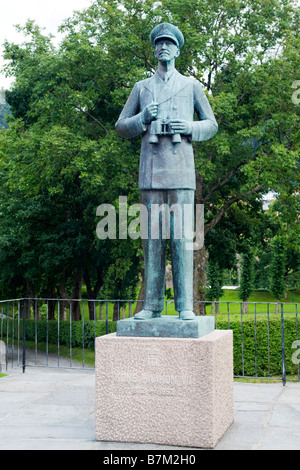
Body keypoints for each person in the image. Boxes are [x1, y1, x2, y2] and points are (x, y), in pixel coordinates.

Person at [115, 23, 218, 320]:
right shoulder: (141, 88)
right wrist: (142, 118)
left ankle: (185, 305)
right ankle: (152, 305)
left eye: (168, 43)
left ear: (177, 50)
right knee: (152, 240)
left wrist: (189, 128)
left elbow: (211, 123)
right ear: (154, 49)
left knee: (181, 239)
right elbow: (122, 127)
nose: (163, 47)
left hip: (181, 172)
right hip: (150, 173)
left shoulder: (192, 86)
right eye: (159, 43)